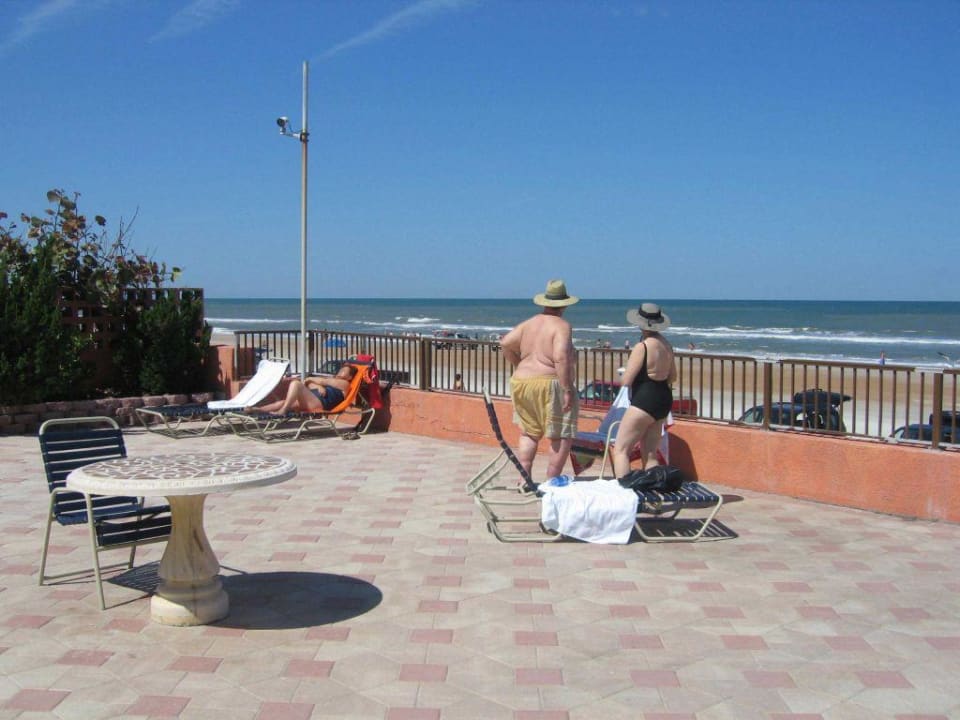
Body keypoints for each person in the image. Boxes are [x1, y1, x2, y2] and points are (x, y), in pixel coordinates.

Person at [499, 279, 579, 481]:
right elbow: (560, 356)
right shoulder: (562, 325)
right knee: (560, 434)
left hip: (522, 382)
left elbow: (506, 343)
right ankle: (551, 482)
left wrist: (519, 363)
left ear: (545, 302)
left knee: (529, 433)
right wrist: (567, 389)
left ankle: (524, 479)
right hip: (549, 383)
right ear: (565, 304)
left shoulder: (529, 323)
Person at [612, 302, 677, 478]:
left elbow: (626, 381)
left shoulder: (643, 347)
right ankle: (653, 495)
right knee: (650, 453)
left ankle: (626, 494)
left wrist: (622, 374)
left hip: (644, 399)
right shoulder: (666, 345)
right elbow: (672, 377)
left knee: (621, 450)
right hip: (663, 398)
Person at [249, 364, 358, 415]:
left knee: (296, 384)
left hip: (319, 404)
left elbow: (320, 381)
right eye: (341, 368)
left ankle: (283, 411)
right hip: (313, 399)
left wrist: (312, 379)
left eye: (344, 370)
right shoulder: (331, 380)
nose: (340, 371)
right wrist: (317, 385)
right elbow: (309, 384)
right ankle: (258, 410)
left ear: (350, 377)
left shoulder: (345, 384)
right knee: (283, 402)